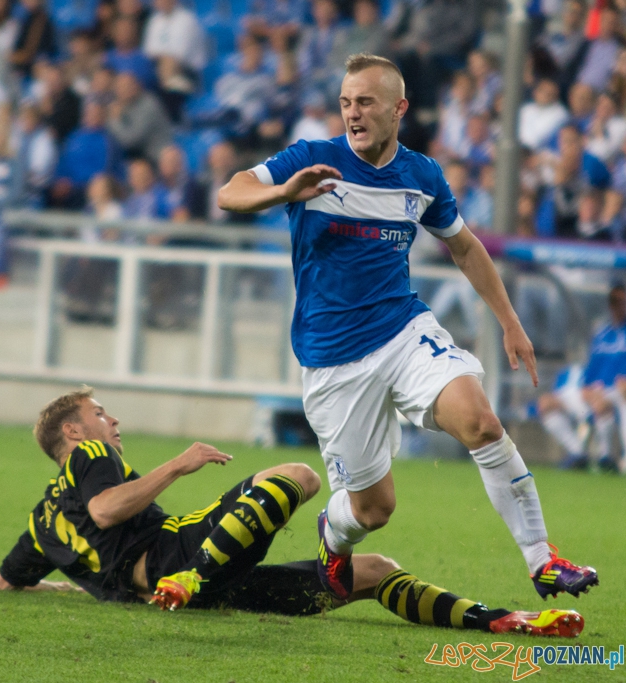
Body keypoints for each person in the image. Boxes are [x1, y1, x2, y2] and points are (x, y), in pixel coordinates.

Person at [215, 53, 598, 605]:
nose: (353, 113)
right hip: (333, 359)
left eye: (365, 102)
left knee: (481, 421)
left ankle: (542, 559)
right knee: (373, 510)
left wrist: (510, 322)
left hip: (403, 330)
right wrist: (281, 193)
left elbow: (464, 246)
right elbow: (231, 192)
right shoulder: (312, 159)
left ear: (399, 108)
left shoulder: (421, 175)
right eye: (346, 102)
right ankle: (333, 532)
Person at [0, 388, 584, 639]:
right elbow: (104, 509)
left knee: (374, 569)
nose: (112, 423)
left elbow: (7, 579)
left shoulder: (38, 526)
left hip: (205, 592)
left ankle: (507, 621)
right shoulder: (91, 457)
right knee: (299, 477)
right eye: (101, 413)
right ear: (74, 432)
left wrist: (65, 586)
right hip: (182, 565)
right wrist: (178, 464)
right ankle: (197, 572)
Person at [538, 284, 626, 473]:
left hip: (617, 392)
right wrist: (587, 389)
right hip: (594, 390)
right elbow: (591, 371)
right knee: (546, 403)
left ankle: (607, 458)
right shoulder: (602, 334)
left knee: (605, 402)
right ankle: (578, 453)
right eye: (615, 302)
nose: (618, 307)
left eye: (622, 302)